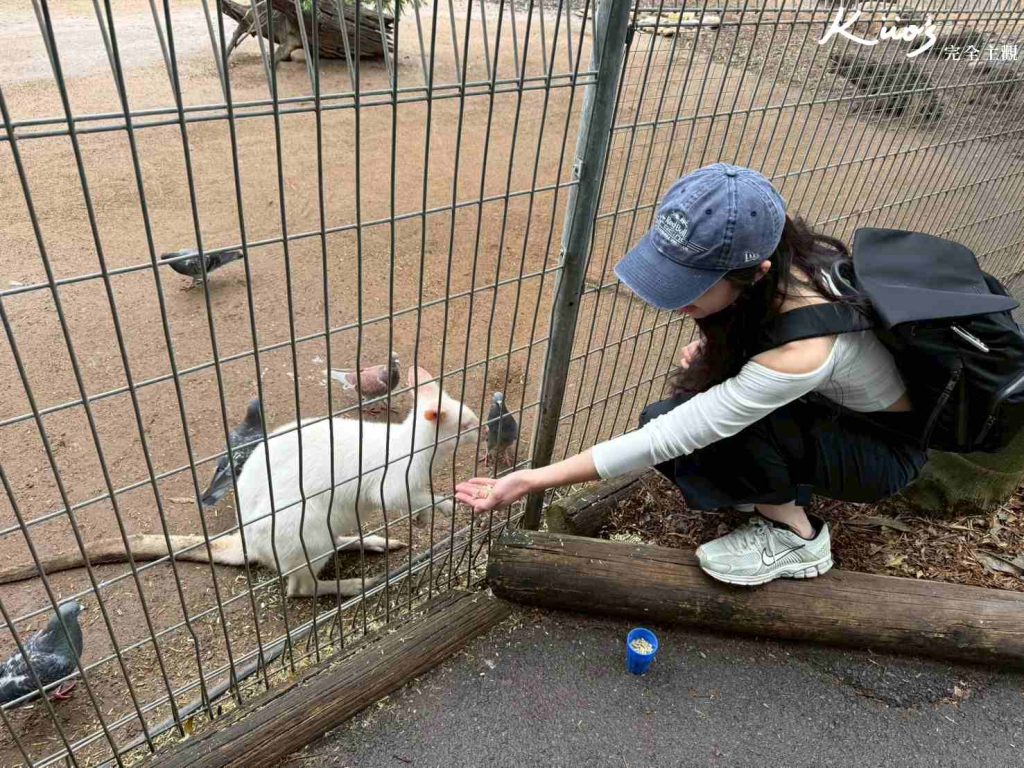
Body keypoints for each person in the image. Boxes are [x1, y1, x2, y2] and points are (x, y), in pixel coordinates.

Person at [455, 162, 928, 587]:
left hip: (882, 451)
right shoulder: (794, 260)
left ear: (755, 273)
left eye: (694, 288)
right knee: (693, 412)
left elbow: (667, 437)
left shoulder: (802, 350)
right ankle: (765, 490)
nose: (680, 302)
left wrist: (531, 480)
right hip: (839, 410)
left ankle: (795, 538)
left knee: (689, 425)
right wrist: (713, 343)